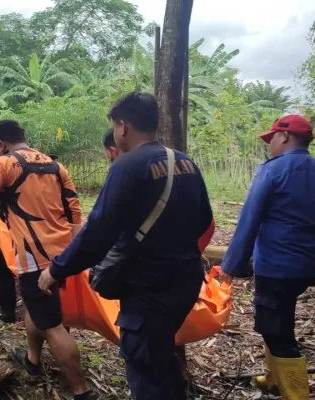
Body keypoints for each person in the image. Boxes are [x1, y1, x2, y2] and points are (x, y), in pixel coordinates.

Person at [38, 92, 214, 400]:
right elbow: (204, 221)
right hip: (186, 281)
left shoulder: (128, 166)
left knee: (146, 371)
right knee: (162, 359)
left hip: (148, 290)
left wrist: (56, 269)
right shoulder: (185, 162)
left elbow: (97, 234)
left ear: (122, 126)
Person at [0, 120, 97, 400]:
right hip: (64, 255)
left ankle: (81, 391)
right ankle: (33, 361)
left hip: (34, 257)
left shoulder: (3, 164)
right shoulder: (56, 166)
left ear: (0, 144)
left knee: (52, 325)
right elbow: (74, 213)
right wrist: (74, 253)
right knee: (39, 308)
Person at [220, 115, 315, 400]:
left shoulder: (271, 172)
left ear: (284, 137)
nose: (269, 144)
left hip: (276, 267)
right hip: (307, 266)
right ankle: (273, 378)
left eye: (271, 138)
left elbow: (249, 220)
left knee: (276, 330)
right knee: (279, 320)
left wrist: (231, 265)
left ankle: (296, 394)